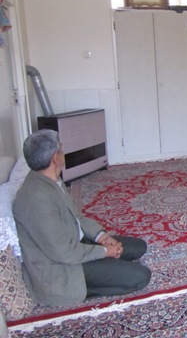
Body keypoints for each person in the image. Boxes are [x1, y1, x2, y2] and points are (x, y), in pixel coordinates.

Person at [13, 129, 151, 306]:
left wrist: (102, 238)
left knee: (138, 247)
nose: (63, 152)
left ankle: (107, 263)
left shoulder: (49, 180)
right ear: (55, 158)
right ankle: (85, 289)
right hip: (65, 269)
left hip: (77, 243)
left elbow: (76, 216)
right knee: (141, 277)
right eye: (61, 148)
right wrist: (104, 252)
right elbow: (64, 252)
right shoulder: (36, 199)